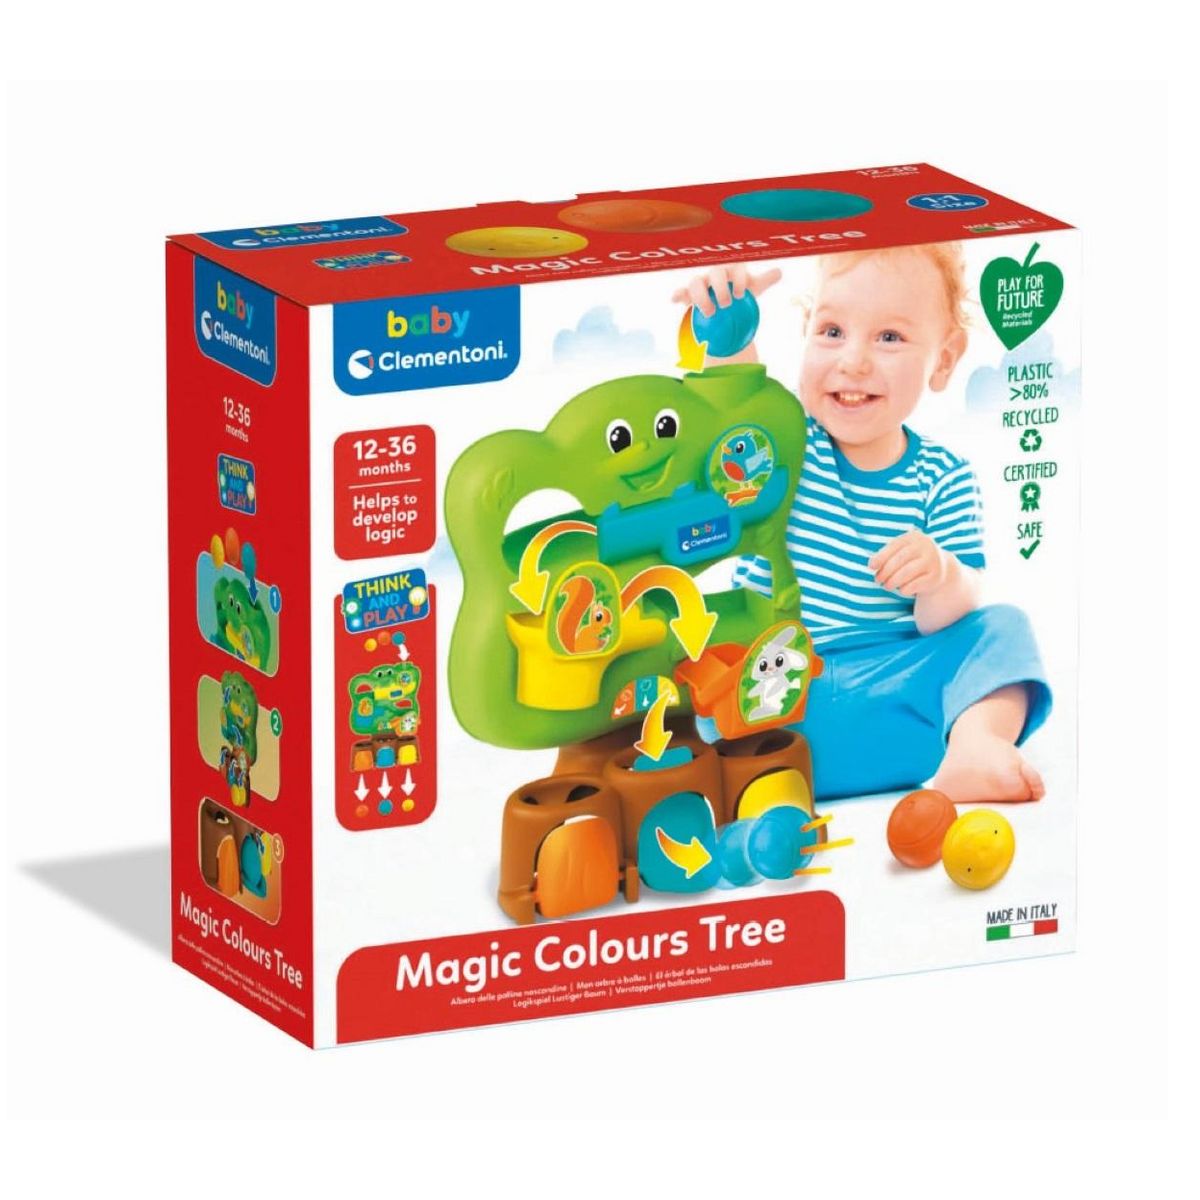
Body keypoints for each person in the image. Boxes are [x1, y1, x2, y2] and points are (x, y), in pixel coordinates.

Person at [673, 245, 1050, 802]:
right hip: (774, 698)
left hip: (895, 709)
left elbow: (946, 620)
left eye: (889, 337)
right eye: (831, 331)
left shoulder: (943, 476)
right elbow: (737, 417)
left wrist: (941, 575)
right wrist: (729, 330)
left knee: (1004, 627)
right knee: (692, 658)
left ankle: (975, 748)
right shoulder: (785, 441)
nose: (853, 361)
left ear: (943, 360)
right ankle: (756, 784)